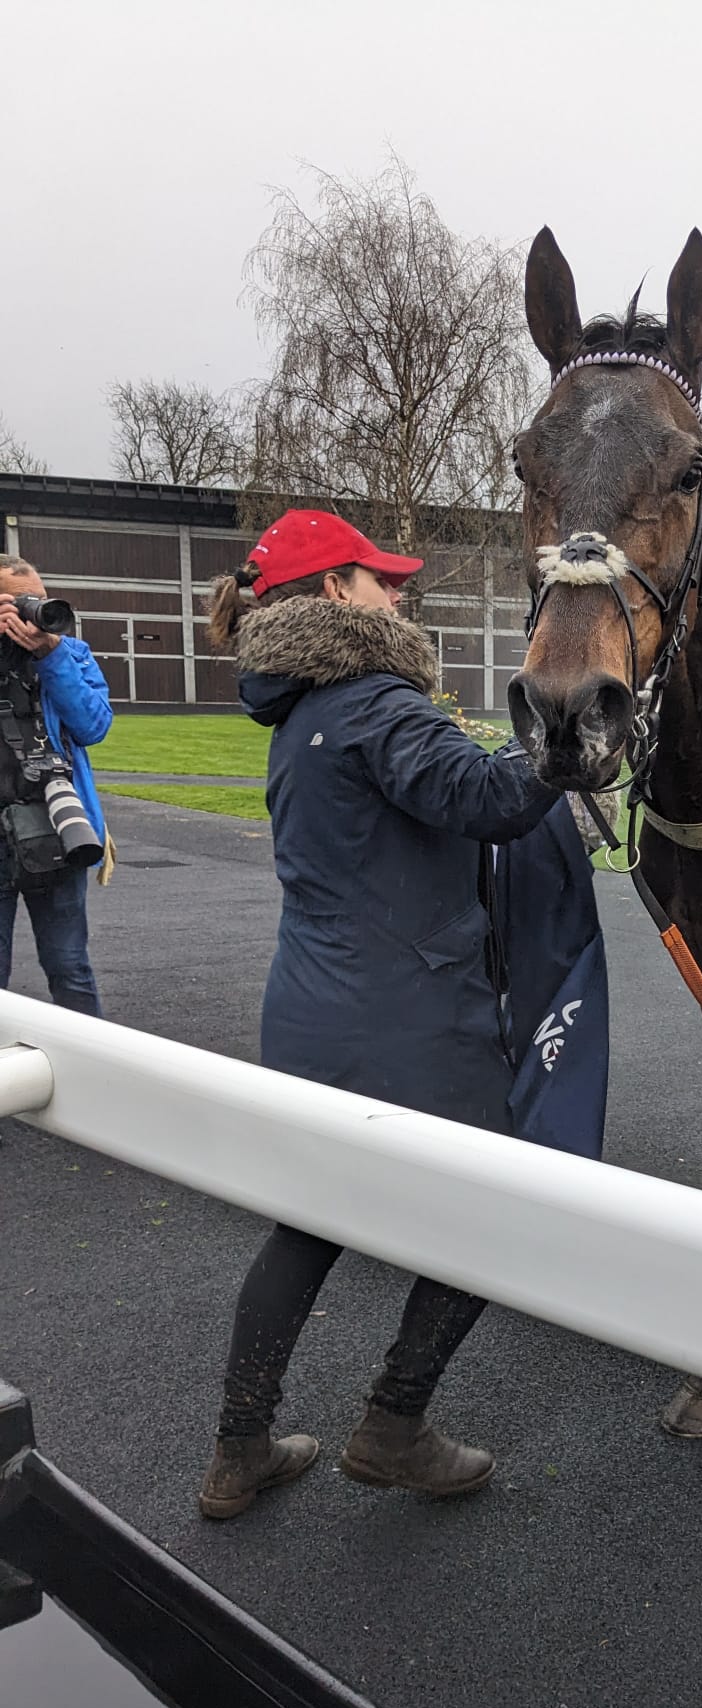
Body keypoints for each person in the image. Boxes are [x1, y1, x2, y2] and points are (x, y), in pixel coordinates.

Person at [197, 509, 563, 1520]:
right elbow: (487, 800)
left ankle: (239, 1449)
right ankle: (394, 1426)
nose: (397, 592)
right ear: (332, 595)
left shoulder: (298, 711)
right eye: (379, 578)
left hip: (312, 1011)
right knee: (487, 1223)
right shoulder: (371, 699)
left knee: (309, 1230)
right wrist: (567, 753)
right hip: (411, 1020)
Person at [0, 556, 113, 1014]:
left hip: (56, 826)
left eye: (40, 601)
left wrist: (51, 655)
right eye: (19, 602)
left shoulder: (71, 653)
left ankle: (93, 1070)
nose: (33, 611)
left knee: (69, 967)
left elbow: (92, 725)